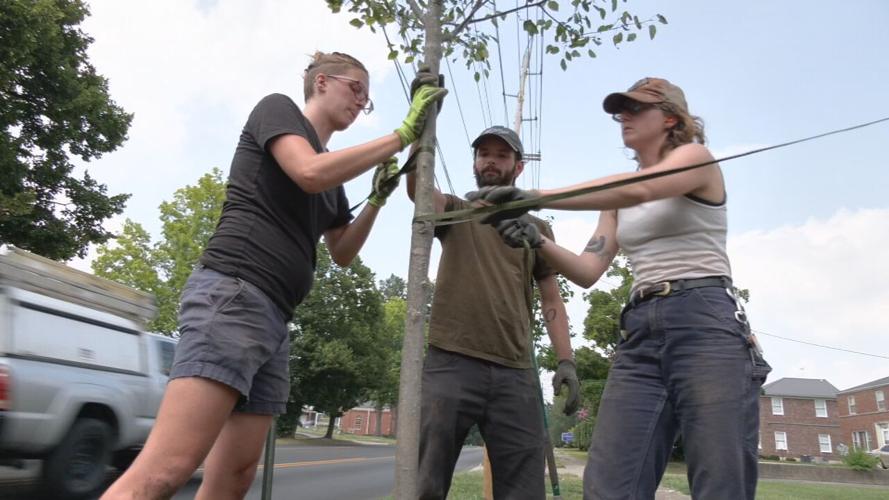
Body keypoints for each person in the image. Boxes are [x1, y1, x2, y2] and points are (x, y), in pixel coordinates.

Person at [102, 51, 446, 500]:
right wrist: (403, 135)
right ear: (321, 82)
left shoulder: (334, 181)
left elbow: (342, 251)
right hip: (234, 295)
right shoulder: (278, 110)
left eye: (367, 97)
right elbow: (307, 172)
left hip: (274, 320)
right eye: (355, 88)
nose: (362, 101)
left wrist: (378, 199)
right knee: (168, 470)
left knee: (236, 475)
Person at [469, 78, 771, 499]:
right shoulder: (616, 197)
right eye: (620, 111)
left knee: (721, 482)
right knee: (610, 485)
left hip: (704, 322)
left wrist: (530, 197)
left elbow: (642, 188)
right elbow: (589, 269)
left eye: (636, 109)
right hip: (639, 333)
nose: (624, 117)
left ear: (670, 118)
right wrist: (538, 241)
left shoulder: (694, 158)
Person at [406, 124, 579, 499]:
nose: (490, 161)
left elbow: (552, 298)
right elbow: (417, 190)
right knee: (426, 483)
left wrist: (566, 361)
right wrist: (422, 128)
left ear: (518, 167)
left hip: (515, 374)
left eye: (502, 155)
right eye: (484, 154)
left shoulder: (535, 227)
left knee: (523, 488)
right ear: (475, 161)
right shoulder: (455, 210)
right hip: (451, 363)